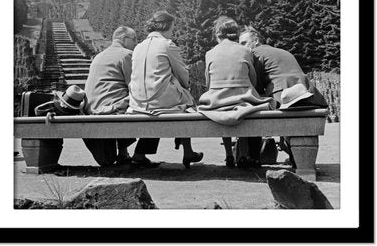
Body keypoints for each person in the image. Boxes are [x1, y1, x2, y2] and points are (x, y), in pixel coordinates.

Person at [238, 25, 327, 166]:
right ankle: (297, 160)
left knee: (252, 112)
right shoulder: (280, 51)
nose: (241, 47)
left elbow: (256, 86)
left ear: (255, 40)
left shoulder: (255, 54)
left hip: (282, 93)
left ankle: (252, 157)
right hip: (305, 91)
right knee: (295, 122)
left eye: (244, 43)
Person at [127, 11, 203, 169]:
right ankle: (188, 151)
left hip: (137, 102)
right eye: (173, 27)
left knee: (164, 105)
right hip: (159, 100)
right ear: (167, 26)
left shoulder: (138, 47)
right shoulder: (167, 45)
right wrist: (184, 88)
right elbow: (182, 74)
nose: (173, 31)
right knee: (187, 105)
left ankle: (140, 153)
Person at [197, 17, 275, 168]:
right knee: (250, 107)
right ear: (235, 34)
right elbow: (252, 79)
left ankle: (229, 154)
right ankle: (249, 155)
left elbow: (208, 84)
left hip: (217, 102)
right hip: (243, 100)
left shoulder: (210, 53)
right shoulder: (245, 51)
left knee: (222, 107)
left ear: (218, 34)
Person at [84, 26, 159, 168]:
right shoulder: (127, 54)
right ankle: (140, 155)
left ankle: (123, 153)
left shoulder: (100, 56)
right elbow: (136, 86)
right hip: (109, 109)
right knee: (155, 106)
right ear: (124, 39)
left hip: (91, 108)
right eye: (134, 39)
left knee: (126, 99)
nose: (136, 43)